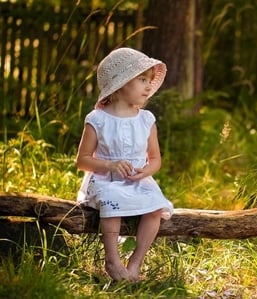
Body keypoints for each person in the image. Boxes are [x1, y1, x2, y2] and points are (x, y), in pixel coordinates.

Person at [76, 47, 174, 282]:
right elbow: (82, 160)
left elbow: (156, 159)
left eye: (150, 81)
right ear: (120, 84)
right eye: (142, 80)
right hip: (104, 180)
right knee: (112, 202)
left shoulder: (146, 120)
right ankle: (112, 260)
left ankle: (135, 263)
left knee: (155, 209)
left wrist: (146, 172)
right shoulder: (97, 120)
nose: (149, 87)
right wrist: (109, 165)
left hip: (137, 181)